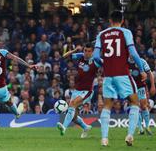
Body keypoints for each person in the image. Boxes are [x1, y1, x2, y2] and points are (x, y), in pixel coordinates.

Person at [93, 10, 147, 146]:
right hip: (123, 74)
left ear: (110, 21)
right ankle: (129, 135)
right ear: (122, 20)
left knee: (107, 105)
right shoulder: (126, 32)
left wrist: (103, 65)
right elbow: (134, 53)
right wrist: (141, 70)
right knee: (135, 102)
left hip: (108, 76)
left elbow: (94, 57)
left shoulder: (102, 34)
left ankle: (104, 139)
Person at [56, 43, 100, 138]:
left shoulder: (96, 61)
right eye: (85, 51)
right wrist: (75, 49)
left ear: (92, 52)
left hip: (87, 91)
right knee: (74, 116)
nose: (86, 53)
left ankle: (64, 127)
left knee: (72, 104)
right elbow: (64, 56)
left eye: (89, 51)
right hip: (77, 90)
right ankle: (85, 127)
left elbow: (105, 64)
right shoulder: (80, 57)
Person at [128, 57, 155, 135]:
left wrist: (153, 85)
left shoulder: (141, 61)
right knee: (135, 106)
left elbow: (150, 73)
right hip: (130, 87)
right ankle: (140, 128)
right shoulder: (125, 61)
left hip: (140, 86)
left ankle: (147, 126)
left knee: (143, 106)